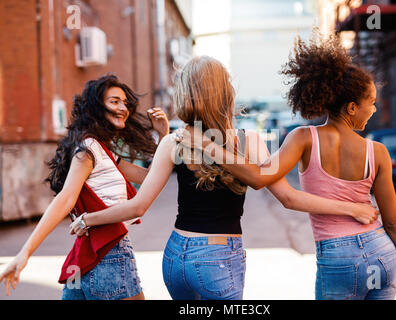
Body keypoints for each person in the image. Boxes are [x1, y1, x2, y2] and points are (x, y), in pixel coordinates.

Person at [69, 56, 379, 300]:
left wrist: (88, 219)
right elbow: (288, 198)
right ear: (226, 92)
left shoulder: (174, 142)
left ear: (186, 94)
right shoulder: (249, 142)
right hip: (218, 258)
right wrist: (352, 208)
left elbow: (138, 207)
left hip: (176, 257)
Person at [178, 35, 396, 300]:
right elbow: (393, 221)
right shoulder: (378, 152)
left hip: (339, 258)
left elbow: (257, 178)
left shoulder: (303, 138)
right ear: (351, 108)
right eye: (371, 102)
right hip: (381, 253)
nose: (374, 109)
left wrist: (206, 145)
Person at [0, 74, 170, 300]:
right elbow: (65, 199)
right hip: (109, 255)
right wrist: (25, 253)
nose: (123, 108)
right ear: (96, 107)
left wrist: (163, 136)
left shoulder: (103, 151)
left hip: (85, 258)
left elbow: (151, 178)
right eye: (114, 101)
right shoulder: (88, 149)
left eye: (124, 102)